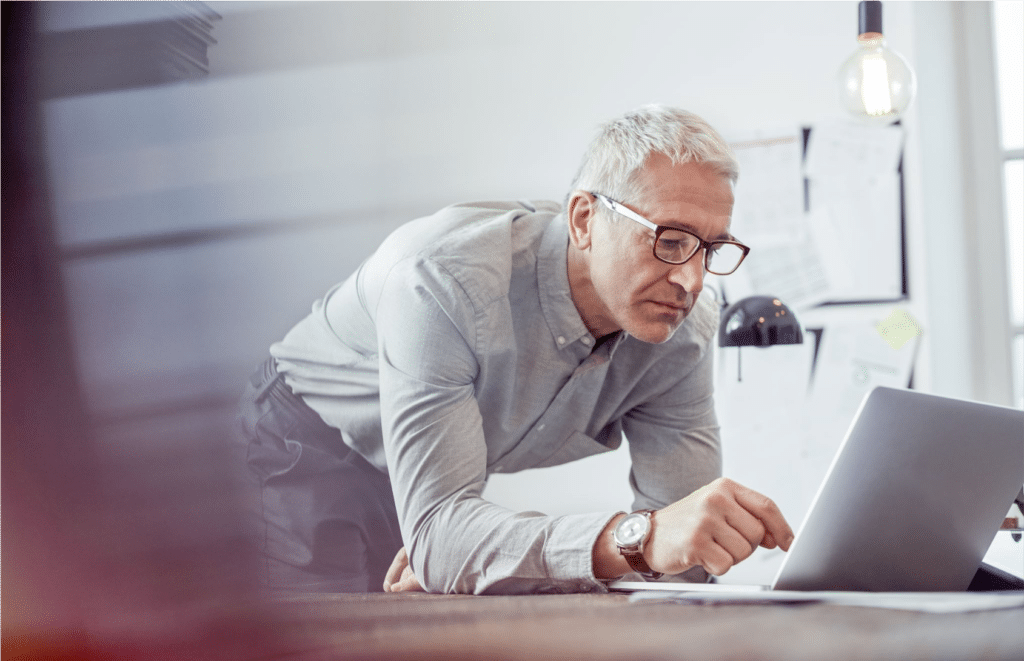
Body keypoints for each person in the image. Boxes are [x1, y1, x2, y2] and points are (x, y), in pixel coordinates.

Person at [235, 104, 794, 595]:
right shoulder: (442, 280)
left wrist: (467, 552)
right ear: (584, 220)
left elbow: (678, 554)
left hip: (429, 474)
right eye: (670, 241)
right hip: (308, 434)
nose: (692, 281)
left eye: (711, 248)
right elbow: (447, 539)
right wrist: (631, 539)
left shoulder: (684, 330)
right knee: (319, 647)